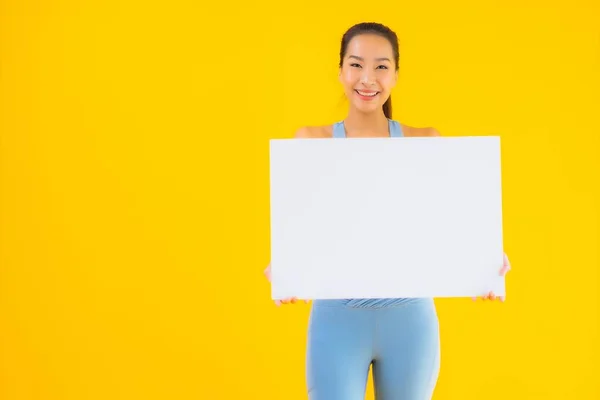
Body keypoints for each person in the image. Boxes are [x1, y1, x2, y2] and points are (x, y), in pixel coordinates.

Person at [264, 22, 512, 400]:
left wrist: (484, 264)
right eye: (356, 64)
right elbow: (300, 228)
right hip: (336, 320)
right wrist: (286, 266)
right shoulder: (311, 142)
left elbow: (449, 228)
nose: (367, 78)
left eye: (381, 66)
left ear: (396, 74)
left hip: (410, 321)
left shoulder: (424, 142)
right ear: (341, 71)